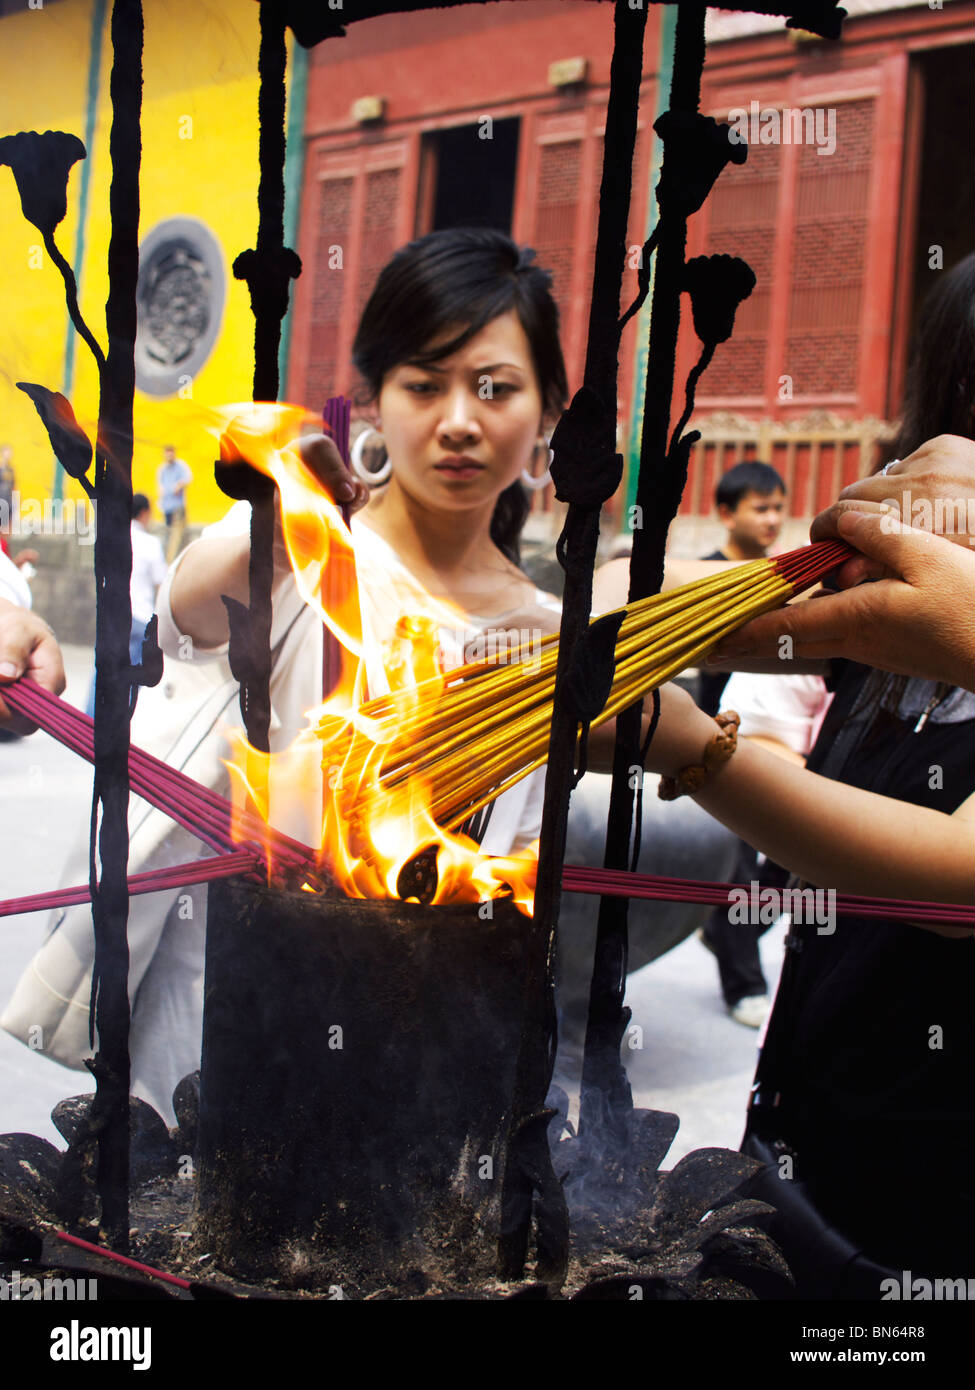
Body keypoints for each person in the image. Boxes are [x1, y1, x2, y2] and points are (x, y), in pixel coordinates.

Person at [2, 227, 589, 1123]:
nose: (459, 419)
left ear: (547, 410)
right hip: (217, 1009)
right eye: (424, 384)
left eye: (496, 388)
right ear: (377, 399)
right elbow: (185, 615)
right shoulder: (290, 556)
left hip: (414, 1037)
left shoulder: (548, 641)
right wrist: (286, 518)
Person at [697, 460, 786, 718]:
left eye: (778, 508)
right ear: (727, 515)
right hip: (716, 717)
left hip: (772, 720)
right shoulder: (705, 572)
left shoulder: (783, 574)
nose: (773, 520)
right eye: (761, 509)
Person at [157, 445, 192, 563]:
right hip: (167, 506)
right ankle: (173, 559)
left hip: (177, 506)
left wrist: (179, 485)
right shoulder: (163, 469)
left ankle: (171, 560)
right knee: (170, 534)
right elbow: (160, 487)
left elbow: (188, 478)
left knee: (176, 536)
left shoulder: (180, 466)